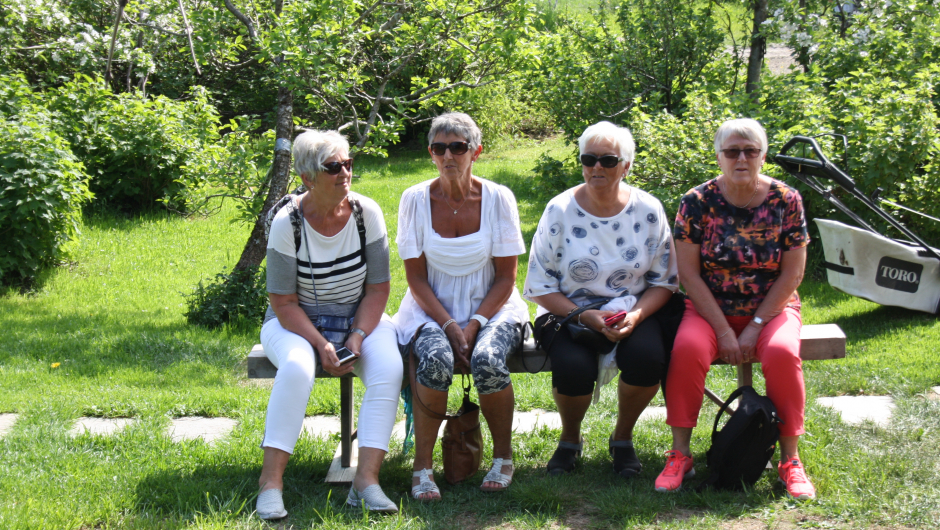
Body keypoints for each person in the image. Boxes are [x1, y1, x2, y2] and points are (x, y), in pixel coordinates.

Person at [655, 118, 815, 500]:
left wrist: (756, 326)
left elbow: (793, 273)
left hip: (772, 309)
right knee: (688, 350)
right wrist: (725, 331)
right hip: (710, 309)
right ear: (719, 155)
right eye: (732, 151)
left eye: (750, 151)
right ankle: (680, 453)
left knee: (780, 352)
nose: (741, 158)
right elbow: (688, 276)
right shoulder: (696, 202)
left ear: (762, 156)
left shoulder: (786, 200)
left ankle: (790, 460)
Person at [256, 130, 402, 518]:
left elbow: (378, 289)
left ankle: (365, 481)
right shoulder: (288, 223)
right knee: (297, 367)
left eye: (348, 164)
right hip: (293, 323)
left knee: (389, 367)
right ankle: (270, 483)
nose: (345, 173)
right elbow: (283, 303)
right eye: (333, 167)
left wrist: (356, 335)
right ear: (307, 177)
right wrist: (321, 344)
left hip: (358, 316)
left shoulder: (366, 213)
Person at [524, 121, 680, 478]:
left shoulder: (649, 210)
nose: (597, 167)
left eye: (608, 160)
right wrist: (583, 316)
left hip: (632, 308)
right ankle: (569, 439)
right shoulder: (559, 210)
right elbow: (539, 285)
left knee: (647, 359)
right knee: (573, 367)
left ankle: (622, 439)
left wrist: (637, 316)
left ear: (626, 166)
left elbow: (664, 281)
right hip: (567, 309)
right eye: (589, 158)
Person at [393, 112, 529, 500]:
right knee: (434, 360)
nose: (448, 155)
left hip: (494, 305)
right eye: (439, 148)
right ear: (431, 154)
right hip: (430, 307)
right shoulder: (415, 199)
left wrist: (475, 323)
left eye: (458, 146)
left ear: (476, 152)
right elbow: (415, 279)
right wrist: (451, 325)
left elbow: (506, 277)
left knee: (487, 359)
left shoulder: (498, 197)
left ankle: (503, 458)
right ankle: (422, 468)